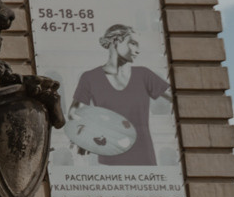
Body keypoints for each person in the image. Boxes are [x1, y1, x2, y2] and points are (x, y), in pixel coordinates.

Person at [70, 24, 171, 167]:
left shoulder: (144, 75)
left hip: (144, 158)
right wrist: (84, 135)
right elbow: (74, 112)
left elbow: (178, 98)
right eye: (133, 43)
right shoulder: (90, 78)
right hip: (110, 158)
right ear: (116, 41)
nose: (138, 50)